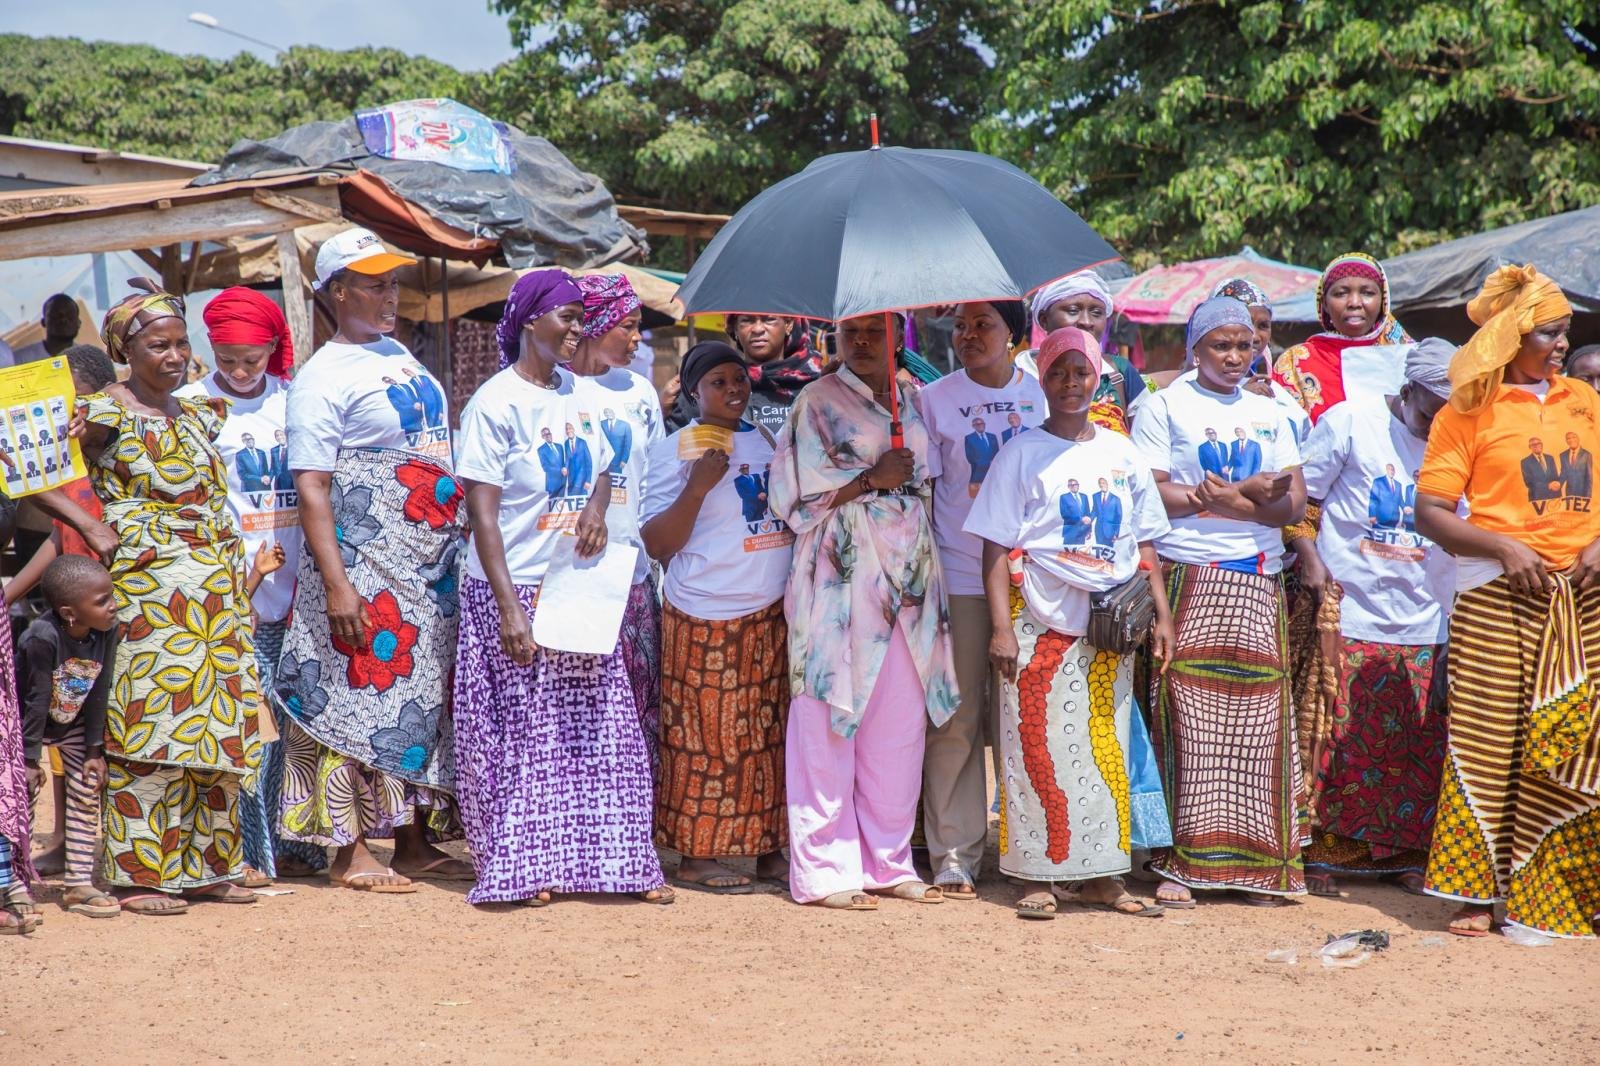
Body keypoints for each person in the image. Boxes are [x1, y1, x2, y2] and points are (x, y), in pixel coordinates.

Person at [453, 269, 672, 907]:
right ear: (530, 321)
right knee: (524, 736)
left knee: (599, 730)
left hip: (576, 586)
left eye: (581, 318)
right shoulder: (495, 403)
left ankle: (616, 865)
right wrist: (509, 611)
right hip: (514, 586)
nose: (579, 329)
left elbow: (604, 466)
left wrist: (597, 510)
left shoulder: (577, 391)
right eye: (568, 318)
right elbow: (482, 515)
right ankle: (524, 868)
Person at [275, 228, 470, 893]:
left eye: (393, 283)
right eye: (374, 285)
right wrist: (336, 585)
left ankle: (411, 841)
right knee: (354, 688)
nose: (391, 296)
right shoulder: (321, 378)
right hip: (362, 560)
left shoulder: (395, 353)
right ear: (337, 292)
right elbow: (312, 485)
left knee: (414, 694)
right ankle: (350, 850)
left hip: (423, 561)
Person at [1414, 265, 1600, 939]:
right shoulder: (1467, 410)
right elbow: (1430, 512)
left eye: (1565, 331)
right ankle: (1476, 893)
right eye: (1548, 332)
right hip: (1497, 596)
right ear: (1511, 337)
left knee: (1577, 737)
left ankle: (1565, 891)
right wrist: (1503, 548)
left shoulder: (1586, 400)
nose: (1561, 344)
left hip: (1584, 597)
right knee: (1490, 739)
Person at [966, 326, 1174, 919]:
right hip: (1036, 616)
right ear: (1043, 380)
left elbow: (1145, 544)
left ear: (1097, 378)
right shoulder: (1021, 453)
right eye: (1057, 372)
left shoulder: (1122, 452)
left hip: (1110, 620)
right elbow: (993, 546)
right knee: (1034, 742)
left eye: (1080, 372)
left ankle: (1103, 876)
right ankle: (1036, 873)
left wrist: (1161, 615)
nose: (1069, 383)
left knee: (1104, 745)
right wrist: (1001, 630)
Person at [76, 278, 262, 914]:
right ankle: (141, 875)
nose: (176, 356)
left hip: (216, 596)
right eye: (159, 345)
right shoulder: (103, 414)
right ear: (126, 351)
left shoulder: (198, 412)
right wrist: (88, 526)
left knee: (212, 730)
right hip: (150, 595)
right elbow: (27, 461)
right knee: (153, 726)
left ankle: (208, 866)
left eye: (182, 343)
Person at [769, 300, 959, 911]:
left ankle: (889, 861)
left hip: (909, 575)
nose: (860, 341)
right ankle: (826, 869)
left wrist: (897, 480)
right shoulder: (816, 401)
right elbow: (791, 499)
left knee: (898, 722)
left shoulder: (915, 399)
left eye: (872, 330)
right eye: (849, 331)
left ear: (895, 332)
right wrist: (870, 480)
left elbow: (931, 481)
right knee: (828, 715)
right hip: (839, 574)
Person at [1130, 296, 1309, 907]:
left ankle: (1258, 869)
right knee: (1186, 722)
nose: (1235, 356)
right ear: (1195, 348)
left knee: (1258, 729)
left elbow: (1293, 503)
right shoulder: (1164, 405)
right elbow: (1152, 492)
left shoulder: (1271, 412)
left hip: (1257, 580)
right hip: (1188, 575)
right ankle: (1180, 864)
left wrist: (1233, 502)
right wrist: (1236, 497)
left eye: (1245, 345)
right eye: (1221, 345)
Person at [1290, 339, 1458, 897]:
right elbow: (1304, 503)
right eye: (1430, 412)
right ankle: (1323, 853)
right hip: (1351, 606)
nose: (1437, 425)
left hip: (1426, 613)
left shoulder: (1459, 436)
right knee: (1336, 737)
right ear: (1408, 390)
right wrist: (1312, 562)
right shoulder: (1350, 421)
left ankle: (1405, 856)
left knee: (1417, 741)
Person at [178, 286, 325, 884]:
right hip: (234, 591)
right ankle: (240, 851)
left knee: (296, 727)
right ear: (209, 349)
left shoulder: (295, 400)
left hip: (301, 587)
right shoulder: (191, 407)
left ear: (273, 349)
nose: (240, 372)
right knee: (247, 728)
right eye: (228, 359)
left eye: (252, 360)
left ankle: (296, 847)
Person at [642, 342, 794, 892]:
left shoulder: (767, 439)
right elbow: (657, 543)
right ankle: (698, 854)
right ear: (692, 391)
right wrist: (697, 487)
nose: (733, 390)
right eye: (718, 382)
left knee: (766, 737)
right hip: (705, 613)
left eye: (739, 380)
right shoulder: (675, 451)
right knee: (705, 739)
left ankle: (769, 849)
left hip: (770, 612)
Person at [916, 300, 1043, 896]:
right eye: (961, 326)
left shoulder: (1045, 393)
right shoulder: (934, 400)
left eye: (983, 324)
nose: (967, 335)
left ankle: (1033, 851)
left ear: (1013, 334)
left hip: (1038, 583)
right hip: (961, 576)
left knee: (1026, 722)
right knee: (956, 720)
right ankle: (954, 852)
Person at [567, 274, 667, 777]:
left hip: (633, 570)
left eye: (637, 326)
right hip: (570, 572)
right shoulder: (557, 387)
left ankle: (635, 809)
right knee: (580, 711)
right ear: (596, 324)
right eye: (626, 325)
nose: (636, 338)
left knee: (638, 700)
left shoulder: (639, 392)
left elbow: (655, 481)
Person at [19, 555, 119, 918]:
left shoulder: (106, 629)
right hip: (27, 725)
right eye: (102, 601)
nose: (113, 605)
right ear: (69, 613)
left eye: (111, 596)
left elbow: (100, 688)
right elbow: (35, 699)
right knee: (21, 795)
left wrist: (94, 750)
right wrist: (30, 760)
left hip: (73, 721)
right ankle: (17, 883)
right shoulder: (41, 637)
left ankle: (78, 882)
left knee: (86, 788)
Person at [1273, 253, 1412, 425]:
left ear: (1383, 301)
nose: (1354, 302)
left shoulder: (1409, 359)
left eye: (1367, 293)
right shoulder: (1295, 362)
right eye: (1340, 294)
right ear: (1324, 303)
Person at [1019, 270, 1145, 431]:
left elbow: (1144, 439)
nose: (1086, 322)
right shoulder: (1019, 376)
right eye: (1073, 311)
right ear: (1044, 320)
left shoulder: (1120, 372)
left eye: (1096, 313)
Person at [667, 314, 826, 434]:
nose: (758, 329)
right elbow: (674, 454)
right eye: (747, 321)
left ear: (788, 324)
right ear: (734, 328)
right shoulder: (706, 387)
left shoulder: (819, 384)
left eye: (769, 320)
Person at [9, 294, 81, 366]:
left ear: (79, 322)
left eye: (70, 314)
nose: (63, 319)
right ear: (43, 322)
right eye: (56, 315)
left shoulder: (85, 358)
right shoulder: (19, 360)